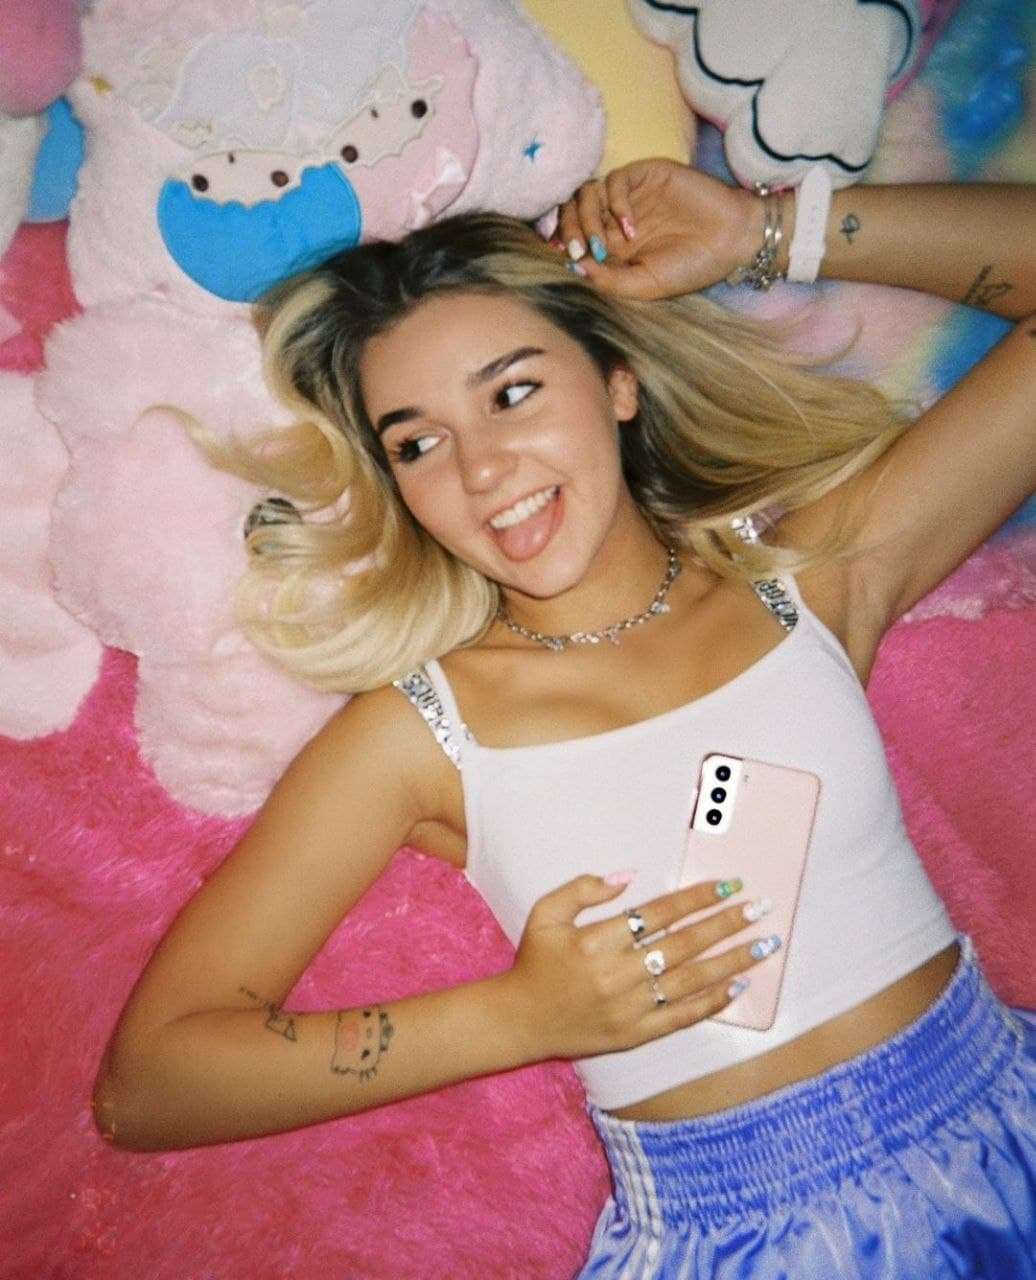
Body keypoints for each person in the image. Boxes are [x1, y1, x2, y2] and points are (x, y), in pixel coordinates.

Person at [92, 163, 1036, 1278]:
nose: (485, 468)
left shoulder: (807, 585)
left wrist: (760, 231)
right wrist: (523, 1015)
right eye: (417, 442)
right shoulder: (416, 736)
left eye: (512, 393)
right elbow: (150, 1082)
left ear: (616, 380)